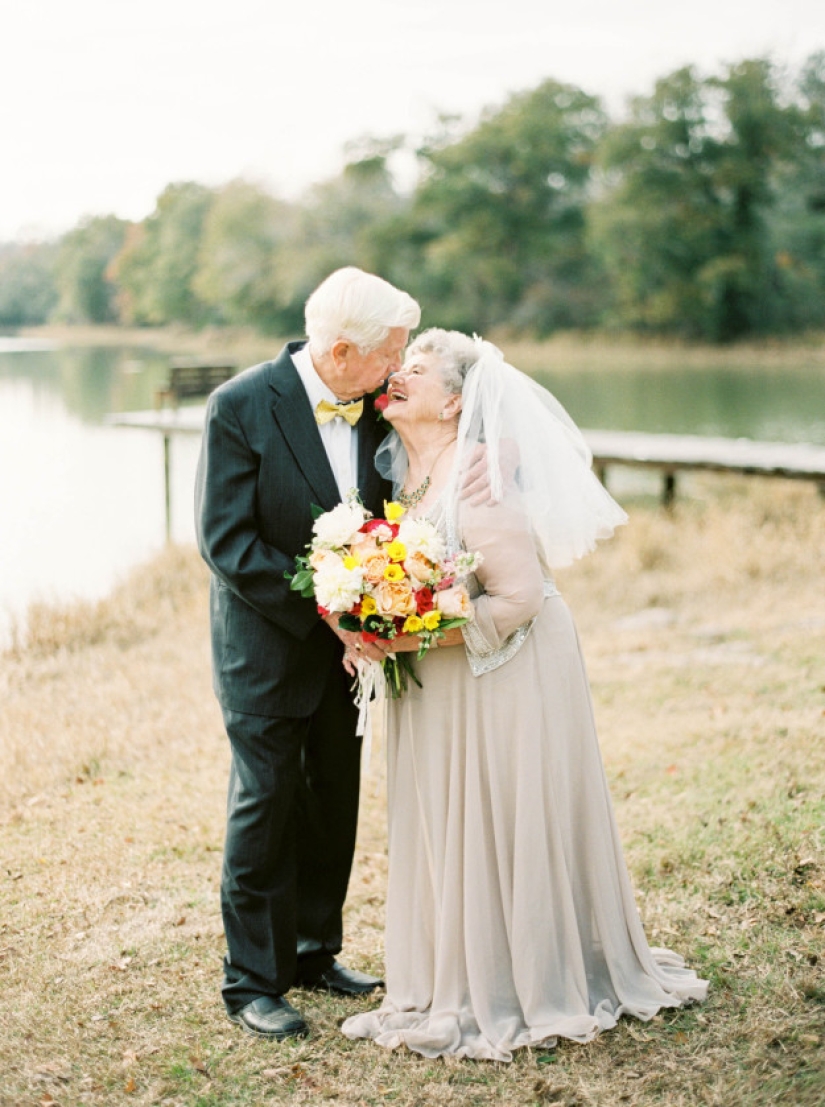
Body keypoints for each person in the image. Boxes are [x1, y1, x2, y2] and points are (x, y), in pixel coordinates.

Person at [341, 329, 708, 1062]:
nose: (398, 376)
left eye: (417, 369)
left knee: (504, 812)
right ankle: (457, 968)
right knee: (451, 818)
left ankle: (518, 979)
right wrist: (362, 620)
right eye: (400, 366)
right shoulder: (400, 471)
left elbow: (520, 596)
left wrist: (410, 638)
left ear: (455, 402)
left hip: (502, 670)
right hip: (440, 683)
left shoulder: (479, 475)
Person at [195, 267, 421, 1040]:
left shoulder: (372, 409)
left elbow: (387, 515)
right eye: (390, 353)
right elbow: (226, 541)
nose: (397, 367)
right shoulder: (239, 405)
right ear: (344, 348)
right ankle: (252, 981)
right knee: (266, 805)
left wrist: (390, 599)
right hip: (265, 647)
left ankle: (313, 949)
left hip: (350, 655)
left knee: (334, 797)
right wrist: (326, 614)